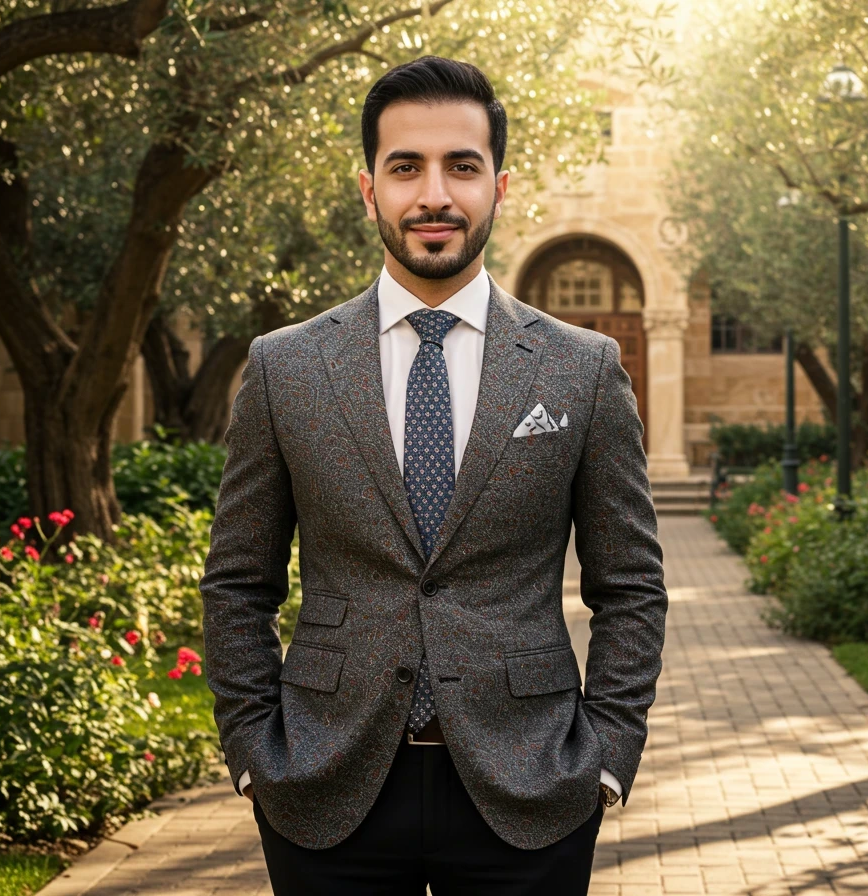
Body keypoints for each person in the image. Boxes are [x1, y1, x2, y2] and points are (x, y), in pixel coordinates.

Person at [199, 55, 668, 895]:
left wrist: (606, 756)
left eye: (463, 165)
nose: (435, 196)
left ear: (499, 184)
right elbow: (238, 581)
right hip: (323, 786)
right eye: (405, 166)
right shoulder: (284, 368)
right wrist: (252, 752)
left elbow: (630, 584)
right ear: (368, 188)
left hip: (532, 791)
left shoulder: (582, 370)